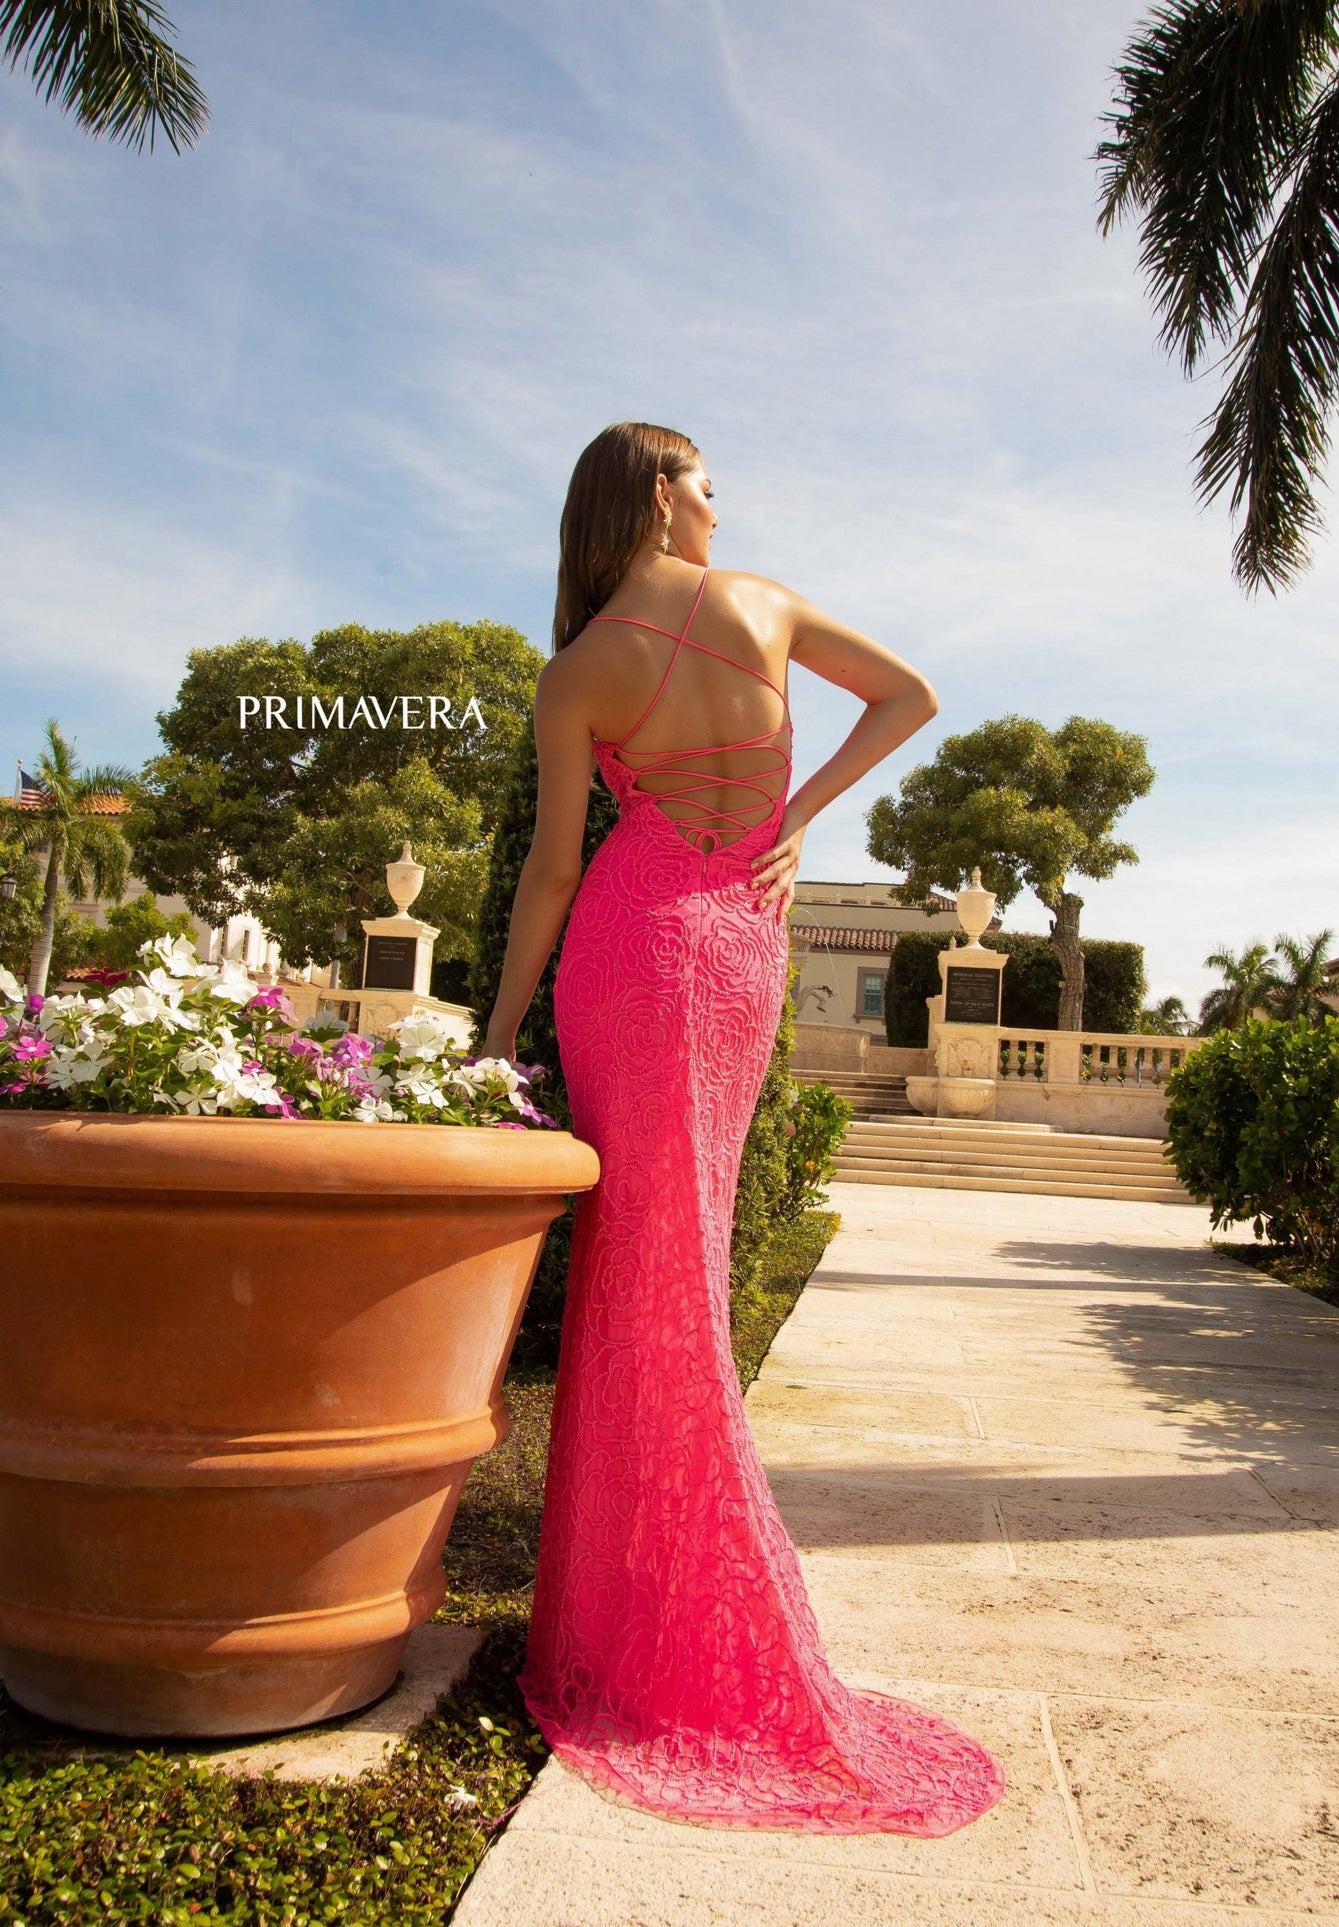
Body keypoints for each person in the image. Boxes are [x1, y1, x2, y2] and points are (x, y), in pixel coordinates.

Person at [481, 421, 1005, 1833]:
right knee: (680, 1262)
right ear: (658, 493)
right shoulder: (765, 604)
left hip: (632, 943)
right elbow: (909, 697)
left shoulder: (579, 667)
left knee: (642, 1265)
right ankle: (657, 1599)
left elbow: (552, 870)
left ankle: (639, 1612)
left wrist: (498, 1030)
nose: (720, 505)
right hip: (734, 943)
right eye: (705, 484)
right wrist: (799, 817)